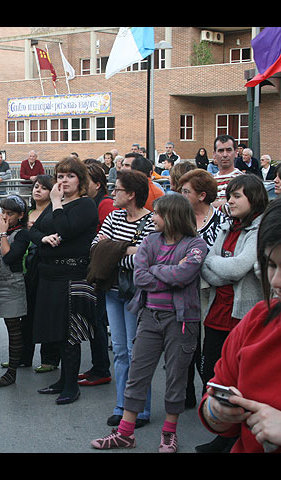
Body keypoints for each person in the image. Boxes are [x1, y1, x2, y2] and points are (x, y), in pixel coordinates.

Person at [91, 194, 207, 452]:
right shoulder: (151, 240)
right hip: (149, 317)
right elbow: (141, 277)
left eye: (158, 213)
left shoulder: (196, 245)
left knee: (176, 378)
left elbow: (185, 274)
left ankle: (169, 433)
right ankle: (125, 433)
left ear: (173, 216)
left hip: (182, 321)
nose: (152, 217)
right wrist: (167, 271)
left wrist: (157, 270)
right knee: (137, 374)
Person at [198, 186, 281, 453]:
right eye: (271, 265)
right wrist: (217, 410)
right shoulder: (257, 319)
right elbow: (212, 405)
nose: (277, 282)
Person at [196, 174, 269, 453]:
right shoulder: (228, 226)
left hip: (242, 315)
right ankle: (222, 432)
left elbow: (238, 267)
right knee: (211, 373)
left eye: (237, 196)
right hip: (216, 312)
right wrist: (219, 266)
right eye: (229, 195)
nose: (230, 201)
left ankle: (236, 437)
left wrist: (215, 263)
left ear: (254, 198)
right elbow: (207, 268)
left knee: (240, 380)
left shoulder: (260, 229)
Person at [29, 157, 99, 405]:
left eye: (70, 176)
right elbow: (33, 230)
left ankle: (71, 386)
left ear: (80, 179)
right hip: (50, 276)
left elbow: (67, 229)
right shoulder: (54, 205)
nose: (64, 180)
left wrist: (56, 202)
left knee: (71, 334)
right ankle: (62, 380)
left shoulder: (86, 205)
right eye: (60, 176)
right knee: (56, 333)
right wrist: (45, 239)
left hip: (73, 276)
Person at [91, 169, 155, 427]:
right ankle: (121, 405)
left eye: (117, 189)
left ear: (131, 194)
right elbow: (95, 250)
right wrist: (126, 249)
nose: (113, 193)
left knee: (135, 351)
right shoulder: (114, 216)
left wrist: (113, 250)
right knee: (119, 351)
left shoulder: (152, 221)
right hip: (112, 292)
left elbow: (146, 258)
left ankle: (140, 409)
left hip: (136, 294)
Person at [179, 168, 227, 407]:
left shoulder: (221, 220)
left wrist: (192, 262)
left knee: (206, 347)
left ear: (201, 195)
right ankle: (186, 394)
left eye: (186, 191)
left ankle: (209, 399)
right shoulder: (180, 219)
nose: (180, 194)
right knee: (184, 345)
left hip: (209, 292)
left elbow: (219, 255)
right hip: (182, 290)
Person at [0, 194, 29, 387]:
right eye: (3, 212)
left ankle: (12, 372)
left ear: (20, 215)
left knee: (13, 327)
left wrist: (3, 234)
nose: (5, 217)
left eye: (10, 213)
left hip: (12, 283)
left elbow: (9, 257)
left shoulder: (23, 234)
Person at [79, 163, 116, 387]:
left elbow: (105, 241)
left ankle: (102, 368)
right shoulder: (93, 202)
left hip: (100, 272)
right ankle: (97, 366)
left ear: (98, 184)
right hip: (94, 269)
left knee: (98, 320)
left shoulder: (105, 205)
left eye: (85, 181)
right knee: (95, 320)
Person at [21, 174, 60, 373]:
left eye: (43, 188)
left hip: (45, 267)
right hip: (24, 269)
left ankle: (50, 358)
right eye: (36, 186)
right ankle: (23, 355)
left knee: (47, 313)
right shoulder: (25, 212)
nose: (37, 190)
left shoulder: (55, 213)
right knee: (25, 314)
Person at [211, 135, 243, 209]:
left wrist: (213, 205)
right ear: (214, 154)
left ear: (235, 153)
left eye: (228, 150)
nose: (225, 155)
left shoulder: (242, 180)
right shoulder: (209, 181)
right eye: (221, 151)